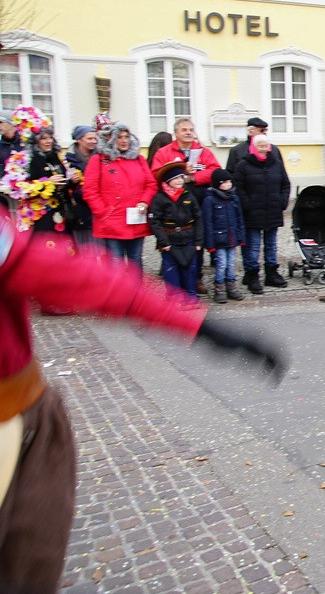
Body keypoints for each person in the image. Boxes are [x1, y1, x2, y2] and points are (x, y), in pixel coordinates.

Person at [0, 207, 286, 594]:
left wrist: (198, 324)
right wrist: (199, 325)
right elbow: (64, 273)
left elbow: (57, 271)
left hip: (22, 409)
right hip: (12, 425)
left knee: (32, 556)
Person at [151, 118, 222, 294]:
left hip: (196, 196)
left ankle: (195, 278)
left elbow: (214, 170)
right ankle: (174, 280)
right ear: (176, 133)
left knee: (196, 239)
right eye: (184, 130)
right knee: (172, 240)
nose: (188, 132)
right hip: (171, 201)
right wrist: (179, 171)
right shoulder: (164, 152)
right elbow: (155, 173)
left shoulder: (202, 151)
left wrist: (193, 178)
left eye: (191, 129)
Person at [83, 123, 157, 269]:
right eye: (119, 137)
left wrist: (144, 202)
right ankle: (118, 292)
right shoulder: (99, 160)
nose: (124, 141)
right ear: (111, 139)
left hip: (135, 218)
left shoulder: (138, 159)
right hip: (112, 220)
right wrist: (103, 212)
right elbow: (90, 190)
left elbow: (151, 184)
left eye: (126, 137)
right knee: (115, 262)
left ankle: (136, 291)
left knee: (135, 260)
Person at [233, 134, 291, 293]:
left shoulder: (276, 164)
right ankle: (252, 276)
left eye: (266, 145)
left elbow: (285, 184)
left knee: (271, 245)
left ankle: (271, 273)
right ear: (253, 146)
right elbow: (238, 187)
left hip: (273, 210)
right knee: (253, 246)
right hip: (253, 212)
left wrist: (282, 201)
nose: (263, 148)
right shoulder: (243, 165)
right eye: (260, 145)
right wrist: (247, 204)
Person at [148, 161, 203, 304]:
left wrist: (198, 241)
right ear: (168, 181)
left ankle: (190, 295)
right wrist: (163, 242)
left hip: (188, 238)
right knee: (171, 269)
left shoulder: (188, 196)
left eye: (181, 177)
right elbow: (155, 221)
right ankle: (175, 297)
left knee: (190, 268)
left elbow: (198, 218)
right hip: (170, 240)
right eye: (176, 178)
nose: (180, 181)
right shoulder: (160, 199)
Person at [202, 169, 247, 304]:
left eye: (229, 182)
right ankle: (219, 287)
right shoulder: (210, 200)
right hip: (219, 239)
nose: (228, 184)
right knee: (221, 263)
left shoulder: (234, 198)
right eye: (225, 182)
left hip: (232, 238)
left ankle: (231, 286)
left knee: (231, 263)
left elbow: (239, 219)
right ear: (218, 184)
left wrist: (241, 237)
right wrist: (209, 244)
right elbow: (208, 223)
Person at [63, 125, 98, 247]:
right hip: (79, 208)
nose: (94, 141)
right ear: (79, 140)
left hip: (97, 205)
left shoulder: (100, 156)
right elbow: (63, 185)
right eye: (89, 139)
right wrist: (71, 182)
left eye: (95, 138)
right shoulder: (68, 159)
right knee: (84, 247)